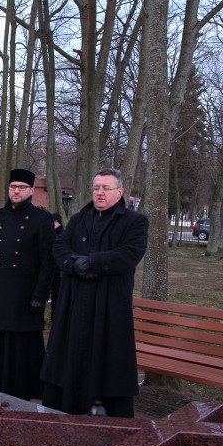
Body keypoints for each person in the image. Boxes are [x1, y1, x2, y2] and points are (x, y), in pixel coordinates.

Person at [40, 168, 148, 417]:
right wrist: (74, 264)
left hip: (110, 306)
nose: (100, 193)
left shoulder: (135, 222)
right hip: (75, 303)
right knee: (69, 360)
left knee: (106, 364)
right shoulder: (79, 219)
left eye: (106, 188)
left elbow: (130, 253)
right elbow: (59, 246)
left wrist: (92, 262)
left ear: (119, 192)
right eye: (96, 188)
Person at [0, 169, 55, 400]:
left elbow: (48, 261)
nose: (16, 191)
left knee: (23, 347)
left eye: (21, 187)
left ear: (31, 190)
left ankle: (24, 391)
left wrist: (40, 295)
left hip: (26, 294)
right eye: (13, 187)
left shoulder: (42, 219)